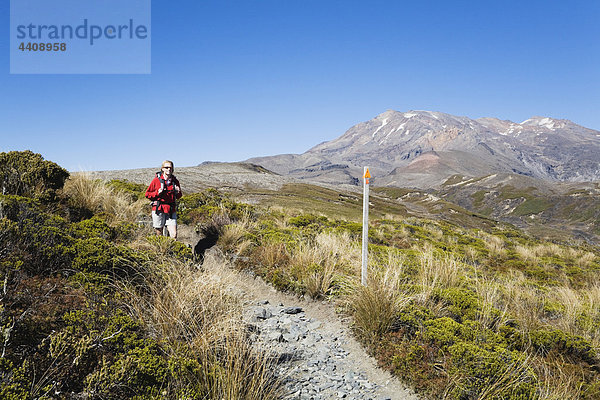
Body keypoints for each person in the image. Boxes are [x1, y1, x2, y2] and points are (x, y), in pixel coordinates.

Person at [145, 160, 182, 238]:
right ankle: (161, 249)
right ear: (162, 169)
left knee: (174, 234)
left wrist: (177, 192)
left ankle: (173, 249)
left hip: (171, 210)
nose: (169, 169)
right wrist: (157, 193)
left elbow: (179, 196)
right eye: (166, 167)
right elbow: (147, 194)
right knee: (159, 233)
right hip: (159, 208)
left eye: (170, 168)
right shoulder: (156, 181)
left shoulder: (175, 181)